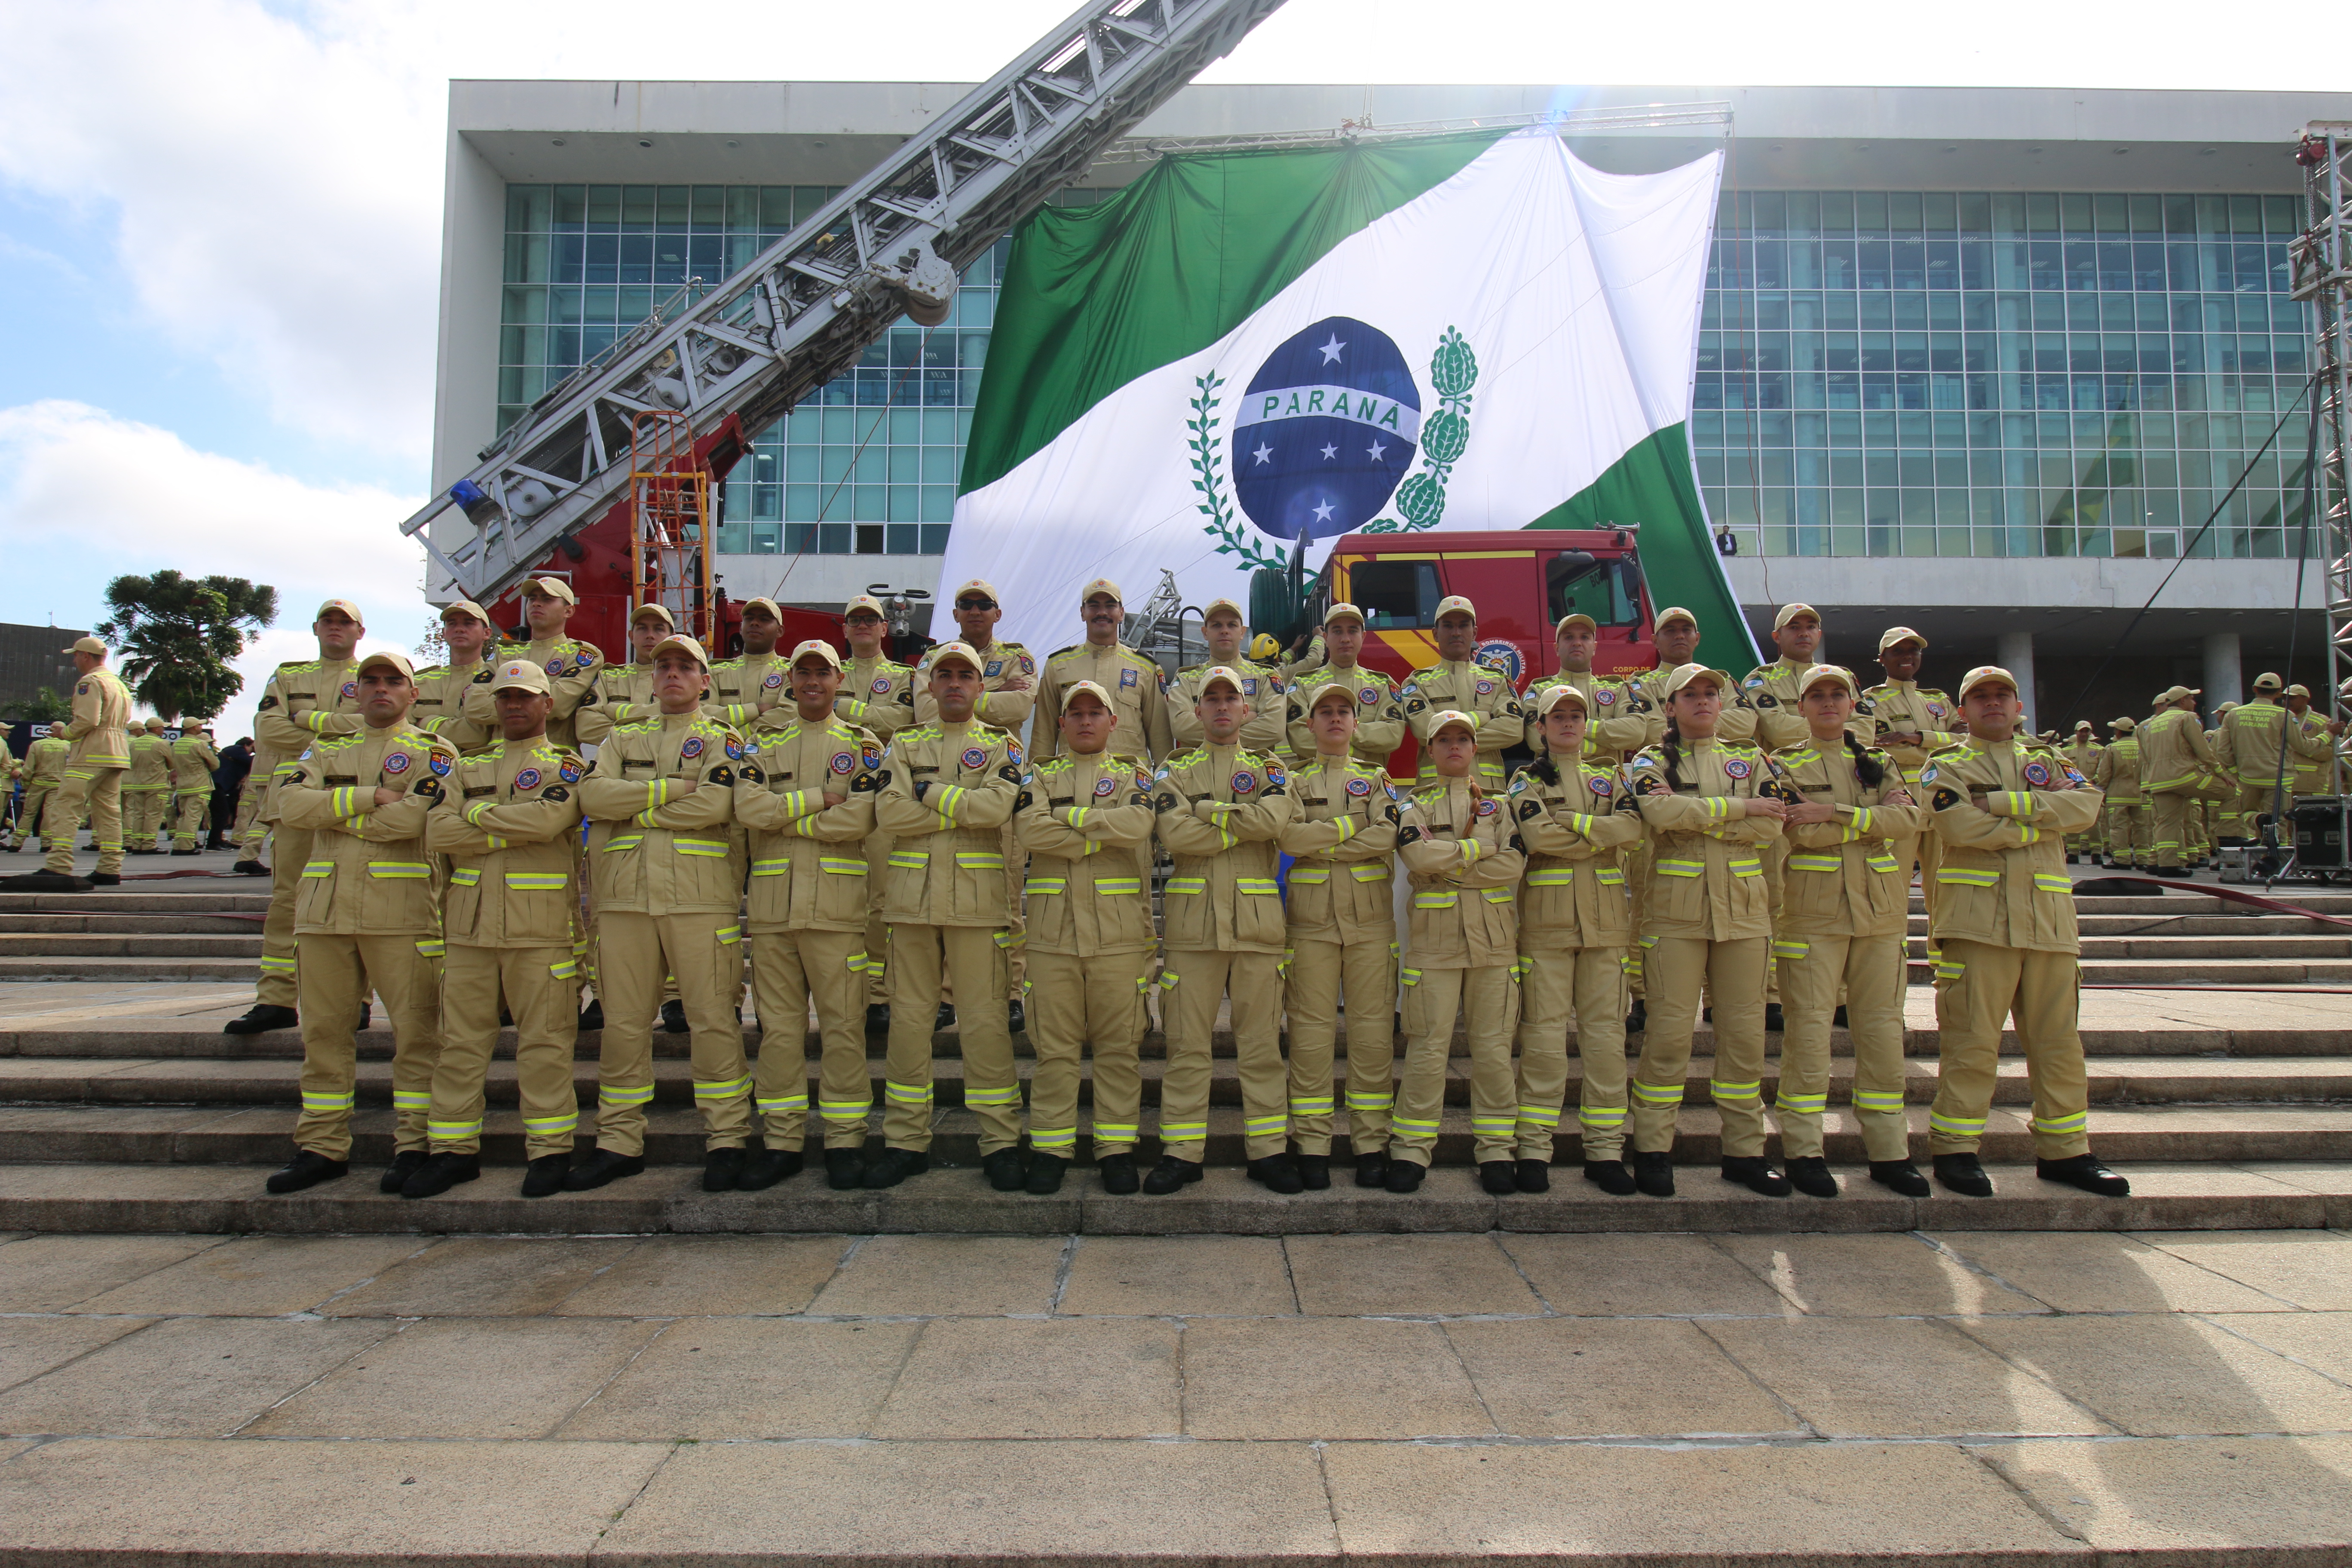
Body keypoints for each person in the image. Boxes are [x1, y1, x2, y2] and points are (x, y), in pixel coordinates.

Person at [1921, 665, 2124, 1197]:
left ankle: (2066, 1152)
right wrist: (2041, 819)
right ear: (1962, 712)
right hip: (1978, 925)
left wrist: (2003, 804)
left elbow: (2086, 807)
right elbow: (1958, 825)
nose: (1993, 704)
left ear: (2018, 708)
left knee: (2059, 1044)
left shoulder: (2048, 761)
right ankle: (1956, 1151)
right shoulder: (1946, 764)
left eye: (2002, 696)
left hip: (2048, 924)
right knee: (1971, 1042)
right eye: (1981, 697)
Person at [262, 652, 459, 1196]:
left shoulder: (434, 753)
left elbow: (407, 821)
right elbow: (288, 805)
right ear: (353, 693)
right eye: (369, 680)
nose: (380, 689)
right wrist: (367, 796)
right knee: (323, 1034)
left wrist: (333, 809)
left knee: (418, 1034)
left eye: (393, 681)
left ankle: (414, 1144)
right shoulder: (326, 748)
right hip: (323, 910)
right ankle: (322, 1146)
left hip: (401, 913)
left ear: (413, 693)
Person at [573, 633, 750, 1192]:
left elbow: (716, 803)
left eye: (685, 667)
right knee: (624, 1028)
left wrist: (637, 804)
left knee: (714, 1022)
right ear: (651, 679)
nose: (672, 674)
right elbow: (594, 799)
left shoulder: (724, 738)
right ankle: (618, 1142)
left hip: (699, 901)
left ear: (705, 680)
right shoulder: (621, 736)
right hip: (625, 900)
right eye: (663, 666)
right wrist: (671, 790)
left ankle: (727, 1139)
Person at [419, 657, 588, 1198]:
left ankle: (550, 1152)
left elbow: (548, 821)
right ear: (494, 706)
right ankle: (452, 1151)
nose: (514, 705)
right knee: (460, 1045)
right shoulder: (464, 766)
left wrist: (475, 817)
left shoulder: (567, 766)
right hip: (469, 928)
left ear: (547, 704)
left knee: (546, 1045)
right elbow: (436, 830)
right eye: (506, 697)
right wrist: (502, 827)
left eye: (525, 697)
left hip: (541, 930)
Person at [1625, 665, 1786, 1197]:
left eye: (1710, 694)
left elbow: (1773, 823)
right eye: (1688, 695)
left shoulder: (1750, 758)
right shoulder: (1651, 760)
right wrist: (1740, 807)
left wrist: (1705, 815)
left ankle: (1744, 1153)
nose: (1701, 701)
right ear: (1669, 708)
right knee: (1668, 1038)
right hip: (1676, 915)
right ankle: (1652, 1149)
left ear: (1722, 703)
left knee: (1743, 1039)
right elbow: (1660, 811)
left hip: (1742, 914)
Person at [1767, 665, 1927, 1197]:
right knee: (1809, 1036)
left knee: (1882, 1032)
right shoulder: (1783, 763)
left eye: (1839, 694)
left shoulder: (1877, 761)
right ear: (1803, 708)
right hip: (1813, 916)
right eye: (1818, 696)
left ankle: (1889, 1152)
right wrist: (1867, 817)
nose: (1829, 703)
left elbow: (1908, 822)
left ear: (1855, 704)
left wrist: (1836, 812)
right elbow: (1801, 830)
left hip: (1879, 915)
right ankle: (1803, 1151)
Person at [870, 641, 1026, 1189]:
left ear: (982, 687)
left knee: (985, 1025)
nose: (956, 684)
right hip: (912, 904)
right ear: (930, 687)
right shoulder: (903, 742)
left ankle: (1001, 1140)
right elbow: (888, 813)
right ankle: (905, 1141)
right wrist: (958, 806)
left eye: (966, 676)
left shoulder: (1003, 745)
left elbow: (995, 810)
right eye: (946, 676)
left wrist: (929, 791)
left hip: (978, 906)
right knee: (909, 1025)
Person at [731, 639, 885, 1191]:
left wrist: (783, 815)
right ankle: (782, 1142)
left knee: (844, 1029)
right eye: (804, 673)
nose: (813, 681)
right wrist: (819, 800)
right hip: (773, 912)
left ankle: (845, 1142)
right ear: (790, 681)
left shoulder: (864, 746)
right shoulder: (762, 741)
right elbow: (748, 810)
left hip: (838, 912)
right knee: (778, 1032)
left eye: (823, 672)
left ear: (840, 680)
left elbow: (862, 820)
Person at [1149, 665, 1297, 1193]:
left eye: (1229, 699)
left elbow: (1274, 823)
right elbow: (1176, 835)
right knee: (1187, 1046)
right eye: (1209, 700)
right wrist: (1239, 817)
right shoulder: (1172, 769)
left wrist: (1207, 811)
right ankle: (1182, 1154)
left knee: (1260, 1045)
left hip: (1257, 928)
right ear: (1197, 712)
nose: (1219, 708)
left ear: (1246, 711)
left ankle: (1270, 1153)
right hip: (1194, 928)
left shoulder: (1271, 766)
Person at [1014, 680, 1158, 1194]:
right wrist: (1100, 831)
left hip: (1118, 937)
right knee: (1053, 1051)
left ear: (1113, 721)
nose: (1084, 720)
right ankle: (1051, 1148)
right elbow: (1031, 831)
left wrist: (1069, 819)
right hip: (1053, 938)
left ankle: (1116, 1149)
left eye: (1095, 712)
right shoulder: (1038, 773)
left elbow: (1138, 823)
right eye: (1074, 713)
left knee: (1120, 1048)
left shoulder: (1135, 775)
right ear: (1061, 722)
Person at [1510, 685, 1642, 1194]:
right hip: (1546, 927)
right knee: (1543, 1041)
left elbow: (1632, 829)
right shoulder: (1524, 780)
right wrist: (1598, 833)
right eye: (1556, 717)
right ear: (1539, 728)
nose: (1567, 723)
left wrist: (1576, 822)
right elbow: (1539, 838)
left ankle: (1605, 1153)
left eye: (1575, 715)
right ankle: (1534, 1150)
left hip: (1606, 926)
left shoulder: (1612, 777)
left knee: (1606, 1041)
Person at [1392, 709, 1526, 1192]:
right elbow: (1416, 856)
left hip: (1493, 944)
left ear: (1475, 749)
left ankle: (1496, 1152)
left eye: (1462, 740)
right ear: (1429, 750)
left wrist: (1448, 862)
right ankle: (1410, 1151)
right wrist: (1478, 851)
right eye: (1443, 740)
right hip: (1435, 945)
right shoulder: (1413, 805)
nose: (1453, 747)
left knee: (1493, 1052)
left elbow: (1512, 866)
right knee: (1427, 1050)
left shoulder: (1499, 806)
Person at [1276, 680, 1403, 1189]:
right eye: (1323, 712)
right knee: (1309, 1036)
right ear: (1308, 725)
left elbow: (1388, 833)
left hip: (1371, 924)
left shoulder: (1377, 778)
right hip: (1310, 924)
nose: (1333, 719)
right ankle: (1311, 1143)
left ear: (1356, 724)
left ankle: (1371, 1143)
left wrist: (1323, 836)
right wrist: (1353, 829)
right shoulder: (1287, 780)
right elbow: (1287, 835)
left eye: (1342, 712)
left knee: (1372, 1037)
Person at [912, 582, 1036, 1031]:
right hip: (942, 794)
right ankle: (946, 996)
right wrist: (992, 697)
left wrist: (960, 699)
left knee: (1006, 898)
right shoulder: (932, 657)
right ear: (956, 613)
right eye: (967, 605)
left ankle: (1010, 994)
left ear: (997, 614)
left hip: (995, 794)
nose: (976, 611)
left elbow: (1022, 704)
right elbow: (925, 714)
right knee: (945, 896)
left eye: (985, 605)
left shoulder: (1018, 658)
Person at [837, 594, 916, 1030]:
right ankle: (846, 992)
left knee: (882, 900)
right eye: (856, 620)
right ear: (845, 629)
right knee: (840, 899)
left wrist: (840, 707)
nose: (864, 626)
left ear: (886, 629)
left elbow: (904, 720)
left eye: (872, 620)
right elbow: (802, 711)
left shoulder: (904, 676)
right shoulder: (826, 670)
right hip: (834, 796)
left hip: (885, 797)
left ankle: (879, 994)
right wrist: (873, 717)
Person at [7, 638, 131, 894]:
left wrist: (65, 733)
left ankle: (58, 864)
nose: (74, 660)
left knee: (66, 807)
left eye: (75, 656)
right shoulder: (118, 684)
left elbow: (87, 721)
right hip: (116, 753)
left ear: (86, 656)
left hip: (90, 754)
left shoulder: (90, 682)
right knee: (108, 812)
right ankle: (110, 868)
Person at [1032, 578, 1174, 765]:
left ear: (1121, 613)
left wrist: (1165, 781)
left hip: (1130, 781)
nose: (1102, 612)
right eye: (1094, 606)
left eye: (1110, 606)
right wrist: (1035, 781)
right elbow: (1044, 734)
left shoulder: (1145, 667)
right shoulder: (1058, 665)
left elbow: (1160, 736)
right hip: (1070, 778)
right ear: (1083, 613)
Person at [1400, 596, 1524, 791]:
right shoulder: (1417, 682)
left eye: (1463, 626)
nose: (1456, 632)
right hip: (1436, 791)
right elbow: (1425, 732)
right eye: (1448, 626)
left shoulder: (1498, 680)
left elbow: (1514, 730)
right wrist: (1482, 717)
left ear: (1474, 633)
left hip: (1488, 792)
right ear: (1435, 634)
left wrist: (1446, 738)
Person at [468, 577, 603, 750]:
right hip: (496, 757)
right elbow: (473, 705)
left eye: (547, 600)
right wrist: (532, 706)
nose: (537, 604)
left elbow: (558, 706)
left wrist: (503, 704)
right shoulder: (505, 652)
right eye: (532, 599)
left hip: (553, 759)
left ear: (568, 611)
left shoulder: (581, 654)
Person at [1282, 603, 1406, 769]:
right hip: (1315, 785)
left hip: (1369, 785)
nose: (1345, 639)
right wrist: (1360, 741)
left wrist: (1338, 733)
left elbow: (1392, 736)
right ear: (1326, 637)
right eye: (1338, 631)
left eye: (1353, 631)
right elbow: (1300, 739)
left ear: (1363, 636)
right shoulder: (1303, 684)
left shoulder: (1383, 685)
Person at [1523, 614, 1648, 766]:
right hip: (1556, 784)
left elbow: (1636, 734)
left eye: (1585, 637)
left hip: (1610, 785)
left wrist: (1583, 728)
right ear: (1557, 648)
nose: (1577, 643)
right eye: (1569, 638)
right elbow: (1537, 741)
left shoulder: (1618, 689)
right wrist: (1604, 747)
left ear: (1594, 647)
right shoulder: (1539, 691)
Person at [2217, 674, 2327, 845]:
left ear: (2254, 690)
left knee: (2246, 813)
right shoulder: (2284, 715)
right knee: (2279, 820)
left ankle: (2259, 820)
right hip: (2278, 778)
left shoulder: (2233, 715)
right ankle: (2277, 860)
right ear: (2278, 694)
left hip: (2248, 777)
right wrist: (2329, 735)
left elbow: (2223, 751)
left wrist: (2236, 773)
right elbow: (2303, 747)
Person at [1167, 597, 1286, 754]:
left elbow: (1274, 729)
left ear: (1242, 632)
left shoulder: (1265, 677)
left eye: (1232, 625)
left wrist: (1217, 732)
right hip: (1199, 772)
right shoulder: (1186, 679)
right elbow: (1182, 729)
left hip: (1253, 772)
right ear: (1205, 633)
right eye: (1217, 625)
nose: (1225, 630)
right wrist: (1249, 717)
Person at [575, 602, 675, 747]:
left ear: (672, 637)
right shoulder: (609, 677)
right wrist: (646, 736)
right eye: (642, 628)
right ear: (631, 636)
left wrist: (615, 712)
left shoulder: (684, 679)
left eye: (659, 629)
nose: (650, 636)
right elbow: (586, 728)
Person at [1736, 604, 1834, 753]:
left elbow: (1866, 730)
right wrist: (1838, 728)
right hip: (1787, 773)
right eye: (1794, 628)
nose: (1804, 634)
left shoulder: (1839, 677)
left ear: (1819, 635)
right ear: (1777, 637)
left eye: (1811, 627)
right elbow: (1778, 732)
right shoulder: (1760, 680)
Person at [2139, 685, 2215, 874]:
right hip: (2185, 777)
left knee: (2164, 824)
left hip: (2156, 781)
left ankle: (2161, 862)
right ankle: (2228, 839)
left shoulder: (2148, 726)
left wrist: (2143, 783)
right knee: (2230, 794)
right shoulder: (2186, 718)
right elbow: (2201, 750)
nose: (2194, 702)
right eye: (2191, 698)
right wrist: (2220, 773)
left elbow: (2143, 759)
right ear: (2182, 701)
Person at [409, 600, 500, 755]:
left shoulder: (496, 681)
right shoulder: (420, 681)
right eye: (452, 624)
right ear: (444, 633)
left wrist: (425, 723)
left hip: (475, 772)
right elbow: (404, 732)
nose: (459, 629)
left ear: (487, 633)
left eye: (469, 623)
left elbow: (478, 735)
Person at [707, 596, 791, 729]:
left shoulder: (791, 672)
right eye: (749, 619)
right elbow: (703, 714)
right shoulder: (716, 672)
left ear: (779, 631)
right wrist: (755, 710)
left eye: (764, 619)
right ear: (741, 628)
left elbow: (789, 715)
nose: (755, 623)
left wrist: (739, 736)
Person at [2092, 717, 2146, 868]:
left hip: (2118, 795)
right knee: (2141, 827)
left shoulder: (2112, 748)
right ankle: (2143, 859)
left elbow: (2105, 773)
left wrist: (2101, 789)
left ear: (2118, 732)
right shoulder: (2142, 747)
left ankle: (2122, 860)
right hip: (2141, 794)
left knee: (2118, 827)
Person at [11, 725, 69, 855]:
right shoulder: (68, 746)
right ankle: (47, 844)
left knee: (29, 813)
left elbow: (29, 768)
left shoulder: (37, 745)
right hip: (58, 784)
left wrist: (26, 784)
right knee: (49, 813)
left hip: (37, 784)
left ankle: (17, 843)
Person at [168, 719, 220, 856]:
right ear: (194, 727)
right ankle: (187, 847)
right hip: (199, 784)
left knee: (184, 816)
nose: (201, 727)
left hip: (183, 784)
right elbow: (215, 764)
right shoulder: (200, 744)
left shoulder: (177, 744)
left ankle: (179, 844)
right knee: (193, 817)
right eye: (200, 725)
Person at [123, 717, 174, 853]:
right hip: (156, 784)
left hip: (137, 783)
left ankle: (136, 845)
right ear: (156, 729)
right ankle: (149, 845)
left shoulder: (134, 743)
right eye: (162, 727)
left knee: (138, 814)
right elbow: (171, 763)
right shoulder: (162, 743)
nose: (164, 730)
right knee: (153, 815)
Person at [2063, 721, 2105, 863]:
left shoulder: (2099, 750)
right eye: (2082, 731)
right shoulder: (2067, 751)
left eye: (2087, 731)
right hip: (2074, 788)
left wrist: (2095, 781)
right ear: (2076, 733)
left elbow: (2103, 769)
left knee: (2095, 822)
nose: (2084, 734)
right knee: (2073, 820)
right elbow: (2063, 769)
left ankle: (2097, 853)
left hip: (2092, 788)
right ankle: (2073, 853)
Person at [209, 737, 251, 849]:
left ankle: (217, 840)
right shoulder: (237, 749)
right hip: (217, 785)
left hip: (219, 786)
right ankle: (213, 843)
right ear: (245, 745)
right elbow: (252, 762)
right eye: (251, 749)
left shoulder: (235, 754)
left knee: (220, 814)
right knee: (222, 814)